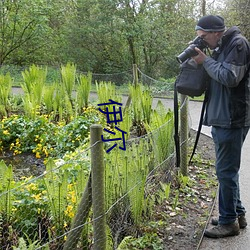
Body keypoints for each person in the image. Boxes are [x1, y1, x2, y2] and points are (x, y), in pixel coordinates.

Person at [192, 15, 250, 238]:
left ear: (216, 32)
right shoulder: (221, 46)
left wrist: (205, 61)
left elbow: (229, 77)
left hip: (232, 118)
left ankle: (228, 223)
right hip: (222, 117)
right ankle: (237, 214)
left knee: (225, 171)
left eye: (204, 37)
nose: (203, 41)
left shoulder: (238, 44)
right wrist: (202, 60)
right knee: (227, 171)